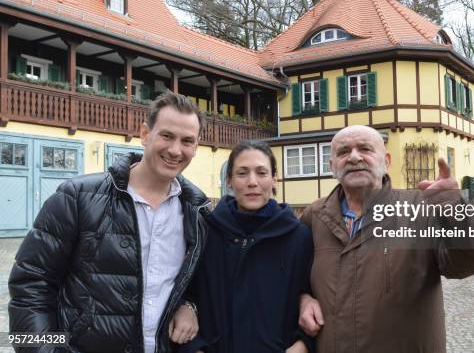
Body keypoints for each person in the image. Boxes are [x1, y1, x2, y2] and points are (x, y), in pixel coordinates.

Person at [9, 92, 208, 353]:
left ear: (196, 146)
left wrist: (190, 305)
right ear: (145, 134)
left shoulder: (198, 213)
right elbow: (30, 287)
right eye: (167, 136)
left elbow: (196, 285)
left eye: (187, 141)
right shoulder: (77, 197)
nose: (175, 150)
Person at [298, 125, 474, 352]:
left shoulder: (421, 208)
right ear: (332, 166)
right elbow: (291, 273)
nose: (353, 157)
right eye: (343, 152)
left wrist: (457, 211)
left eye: (365, 149)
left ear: (386, 161)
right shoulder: (314, 216)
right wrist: (302, 297)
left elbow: (473, 260)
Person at [179, 140, 314, 353]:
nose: (252, 182)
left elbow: (316, 300)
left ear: (274, 179)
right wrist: (193, 347)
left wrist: (303, 345)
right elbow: (183, 293)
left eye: (261, 173)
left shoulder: (299, 237)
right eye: (242, 173)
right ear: (230, 181)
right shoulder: (205, 232)